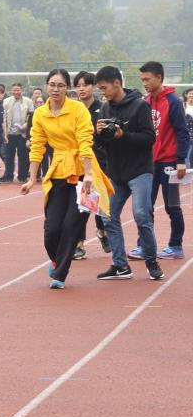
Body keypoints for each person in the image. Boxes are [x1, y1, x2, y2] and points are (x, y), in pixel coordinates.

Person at [21, 70, 113, 289]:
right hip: (59, 172)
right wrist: (31, 178)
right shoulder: (40, 114)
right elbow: (37, 146)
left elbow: (85, 141)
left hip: (85, 174)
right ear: (47, 86)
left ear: (67, 88)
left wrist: (88, 174)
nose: (55, 89)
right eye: (52, 85)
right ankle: (56, 260)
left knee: (72, 226)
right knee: (52, 229)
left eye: (60, 85)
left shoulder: (78, 109)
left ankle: (60, 274)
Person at [93, 66, 161, 281]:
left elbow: (149, 138)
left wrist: (123, 135)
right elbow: (102, 144)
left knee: (141, 215)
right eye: (100, 89)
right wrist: (99, 134)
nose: (103, 93)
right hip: (116, 172)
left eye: (104, 88)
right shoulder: (105, 109)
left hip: (140, 170)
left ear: (116, 83)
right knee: (107, 215)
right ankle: (120, 265)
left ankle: (151, 261)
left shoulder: (140, 105)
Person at [129, 61, 188, 261]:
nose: (144, 83)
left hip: (170, 163)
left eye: (147, 79)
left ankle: (176, 246)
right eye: (142, 80)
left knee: (172, 206)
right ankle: (144, 246)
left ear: (159, 78)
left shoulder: (173, 102)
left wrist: (181, 160)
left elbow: (182, 132)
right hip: (149, 163)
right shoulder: (145, 101)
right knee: (145, 207)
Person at [73, 71, 110, 259]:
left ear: (93, 87)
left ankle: (102, 232)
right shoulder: (73, 110)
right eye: (78, 85)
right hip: (79, 163)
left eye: (85, 85)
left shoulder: (102, 109)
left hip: (100, 161)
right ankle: (79, 244)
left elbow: (108, 139)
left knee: (100, 202)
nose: (81, 89)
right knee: (83, 204)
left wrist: (100, 133)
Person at [2, 83, 34, 184]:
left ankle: (22, 176)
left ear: (21, 90)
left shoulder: (28, 102)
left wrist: (25, 125)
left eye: (18, 90)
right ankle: (8, 176)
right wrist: (5, 134)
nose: (16, 92)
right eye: (14, 90)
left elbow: (31, 117)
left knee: (23, 156)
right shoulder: (6, 101)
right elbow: (4, 119)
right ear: (11, 91)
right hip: (10, 134)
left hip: (22, 134)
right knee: (9, 156)